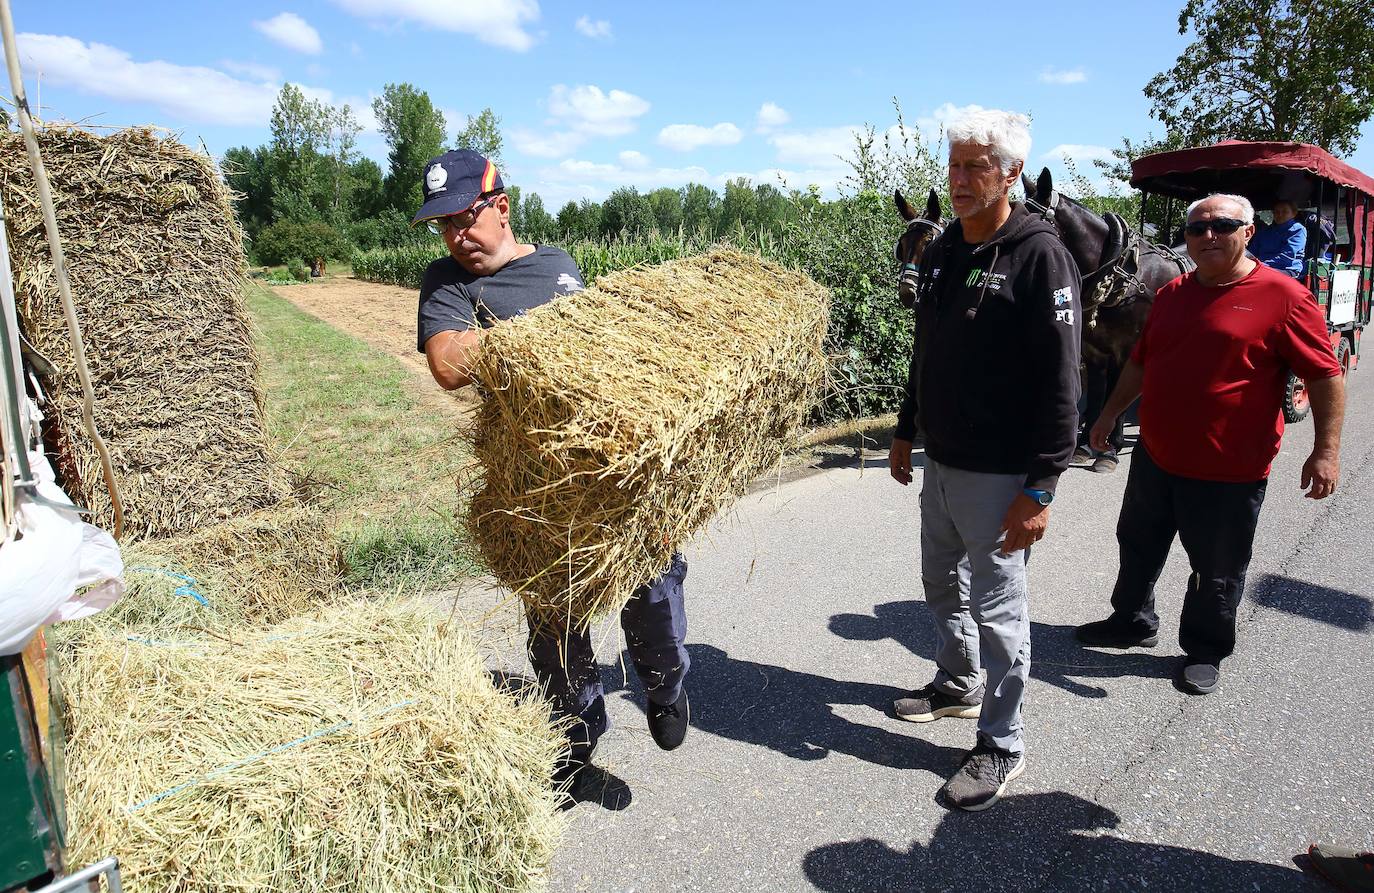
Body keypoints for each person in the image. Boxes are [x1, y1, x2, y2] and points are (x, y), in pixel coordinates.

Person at [413, 149, 691, 799]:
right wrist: (534, 342)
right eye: (442, 225)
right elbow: (449, 362)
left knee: (653, 578)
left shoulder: (560, 266)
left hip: (604, 469)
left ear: (501, 207)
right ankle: (576, 740)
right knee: (553, 626)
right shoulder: (447, 283)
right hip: (530, 488)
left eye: (463, 218)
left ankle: (665, 683)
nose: (454, 236)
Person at [887, 109, 1083, 812]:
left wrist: (1043, 487)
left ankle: (1002, 740)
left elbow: (1065, 381)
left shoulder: (1039, 255)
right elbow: (926, 351)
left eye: (976, 166)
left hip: (1003, 472)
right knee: (940, 581)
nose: (961, 180)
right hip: (943, 461)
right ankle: (959, 682)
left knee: (1001, 608)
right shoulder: (941, 251)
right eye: (954, 165)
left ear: (1011, 173)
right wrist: (908, 430)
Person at [1076, 194, 1345, 695]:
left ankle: (1204, 648)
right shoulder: (1174, 293)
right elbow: (1141, 362)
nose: (1208, 236)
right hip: (1156, 454)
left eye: (1222, 225)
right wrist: (1108, 415)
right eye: (1197, 228)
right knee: (1137, 543)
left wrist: (1325, 450)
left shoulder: (1284, 297)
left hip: (1230, 467)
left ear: (1248, 231)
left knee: (1216, 566)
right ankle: (1132, 620)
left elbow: (1326, 375)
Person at [1248, 198, 1307, 277]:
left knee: (1259, 277)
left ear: (1294, 213)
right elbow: (1252, 252)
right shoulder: (1264, 231)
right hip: (1260, 267)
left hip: (1286, 269)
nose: (1280, 215)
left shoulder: (1298, 230)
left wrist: (1261, 265)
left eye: (1284, 212)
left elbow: (1287, 256)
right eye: (1276, 212)